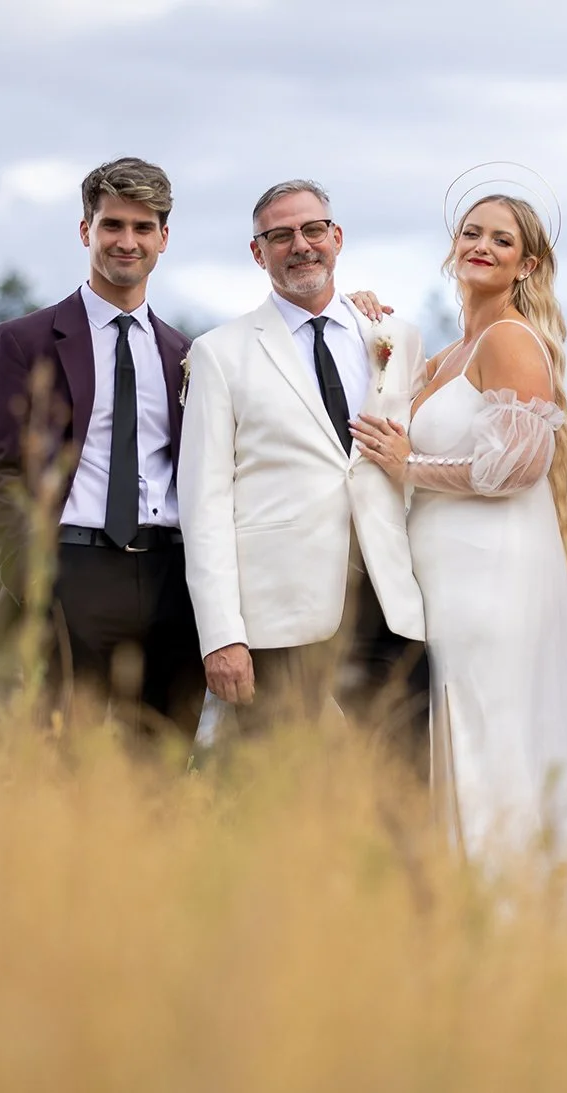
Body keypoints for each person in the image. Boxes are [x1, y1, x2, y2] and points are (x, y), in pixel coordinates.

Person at [350, 194, 567, 881]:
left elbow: (519, 466)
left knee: (491, 737)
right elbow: (382, 385)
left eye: (501, 240)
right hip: (442, 577)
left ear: (528, 264)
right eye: (471, 232)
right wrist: (362, 318)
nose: (482, 246)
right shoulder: (449, 353)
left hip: (492, 576)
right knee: (457, 739)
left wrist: (410, 467)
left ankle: (511, 912)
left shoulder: (510, 341)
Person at [178, 179, 429, 763]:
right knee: (280, 791)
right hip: (278, 616)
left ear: (336, 237)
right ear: (257, 251)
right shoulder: (220, 353)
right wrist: (222, 634)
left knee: (403, 786)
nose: (301, 245)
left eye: (313, 230)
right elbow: (203, 505)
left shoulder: (396, 338)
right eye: (281, 235)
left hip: (389, 605)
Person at [0, 156, 204, 738]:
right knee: (57, 765)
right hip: (67, 573)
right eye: (112, 225)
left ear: (164, 238)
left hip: (172, 586)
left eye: (143, 227)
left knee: (158, 767)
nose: (127, 241)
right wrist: (37, 585)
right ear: (85, 231)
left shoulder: (189, 355)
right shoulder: (23, 343)